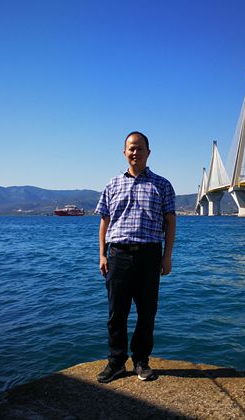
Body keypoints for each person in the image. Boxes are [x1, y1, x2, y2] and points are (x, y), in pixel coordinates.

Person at [95, 131, 176, 383]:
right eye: (131, 148)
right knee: (116, 313)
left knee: (146, 313)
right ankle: (116, 361)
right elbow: (104, 222)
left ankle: (141, 361)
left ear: (148, 152)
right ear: (124, 152)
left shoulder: (162, 185)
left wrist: (167, 256)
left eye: (140, 148)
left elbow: (170, 222)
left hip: (149, 255)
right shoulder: (112, 184)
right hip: (117, 255)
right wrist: (102, 254)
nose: (135, 152)